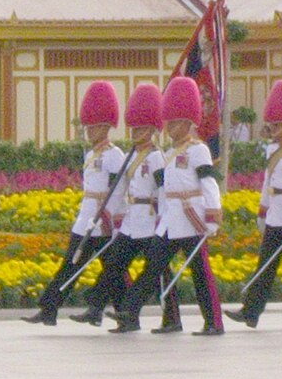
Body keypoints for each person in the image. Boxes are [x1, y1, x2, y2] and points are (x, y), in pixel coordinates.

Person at [110, 76, 225, 335]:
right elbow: (165, 191)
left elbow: (209, 183)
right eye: (168, 122)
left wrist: (213, 213)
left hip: (192, 217)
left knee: (201, 274)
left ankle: (214, 322)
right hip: (172, 219)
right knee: (152, 268)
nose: (169, 127)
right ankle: (130, 310)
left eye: (174, 122)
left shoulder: (198, 150)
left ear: (188, 122)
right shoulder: (170, 153)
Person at [69, 83, 178, 330]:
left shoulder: (155, 157)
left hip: (150, 220)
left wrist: (164, 220)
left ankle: (172, 317)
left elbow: (163, 191)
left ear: (152, 129)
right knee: (114, 265)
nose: (135, 133)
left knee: (160, 272)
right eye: (133, 128)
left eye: (141, 128)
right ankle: (97, 307)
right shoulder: (131, 155)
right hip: (131, 221)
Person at [21, 81, 126, 326]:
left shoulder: (114, 155)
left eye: (95, 126)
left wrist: (108, 217)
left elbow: (117, 190)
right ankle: (50, 309)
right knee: (71, 265)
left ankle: (120, 312)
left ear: (106, 127)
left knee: (113, 271)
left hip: (103, 220)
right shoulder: (90, 155)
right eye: (88, 126)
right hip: (87, 217)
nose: (89, 131)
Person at [224, 80, 282, 330]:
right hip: (276, 214)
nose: (274, 128)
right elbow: (269, 182)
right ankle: (251, 312)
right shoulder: (271, 150)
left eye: (278, 124)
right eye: (273, 124)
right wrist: (262, 211)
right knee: (265, 265)